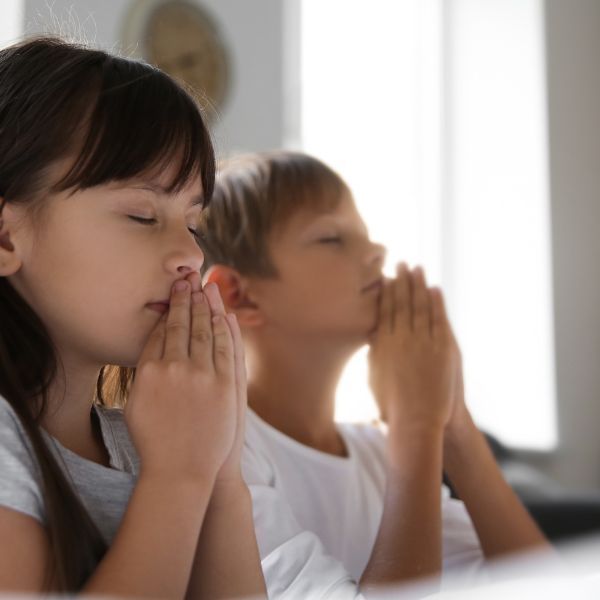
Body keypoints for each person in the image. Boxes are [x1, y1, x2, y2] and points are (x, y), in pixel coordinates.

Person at [198, 151, 551, 597]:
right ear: (239, 295)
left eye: (363, 234)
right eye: (331, 238)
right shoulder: (229, 450)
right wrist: (417, 426)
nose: (377, 251)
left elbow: (548, 588)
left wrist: (454, 422)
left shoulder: (379, 455)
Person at [0, 37, 265, 598]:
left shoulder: (142, 439)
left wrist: (219, 472)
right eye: (143, 215)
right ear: (5, 236)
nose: (191, 255)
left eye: (194, 225)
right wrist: (179, 476)